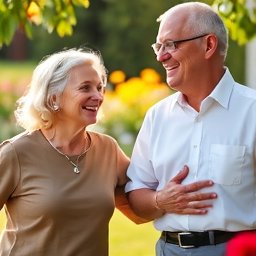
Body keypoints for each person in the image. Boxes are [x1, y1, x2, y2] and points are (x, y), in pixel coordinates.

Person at [125, 2, 256, 256]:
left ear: (208, 45)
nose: (161, 56)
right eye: (159, 46)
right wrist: (159, 200)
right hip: (168, 250)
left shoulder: (252, 112)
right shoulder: (157, 117)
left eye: (171, 44)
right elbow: (136, 193)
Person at [0, 48, 146, 256]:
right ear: (53, 98)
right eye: (85, 88)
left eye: (99, 87)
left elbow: (140, 211)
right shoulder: (16, 152)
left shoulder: (108, 150)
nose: (97, 96)